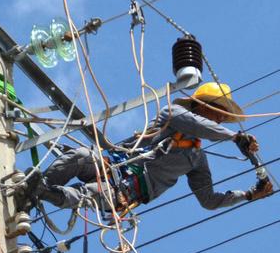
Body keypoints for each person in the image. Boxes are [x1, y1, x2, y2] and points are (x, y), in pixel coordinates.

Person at [26, 82, 273, 212]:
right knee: (79, 156)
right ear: (200, 105)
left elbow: (208, 200)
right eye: (218, 111)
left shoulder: (197, 160)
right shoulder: (173, 113)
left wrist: (249, 194)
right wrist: (234, 137)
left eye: (224, 116)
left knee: (88, 194)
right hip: (113, 165)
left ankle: (42, 193)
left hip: (130, 191)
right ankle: (36, 189)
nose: (220, 118)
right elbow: (195, 124)